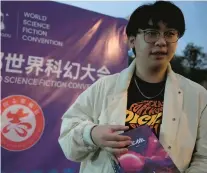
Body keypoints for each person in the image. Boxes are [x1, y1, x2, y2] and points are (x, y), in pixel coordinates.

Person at [58, 1, 207, 173]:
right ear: (131, 41)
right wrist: (91, 134)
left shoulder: (198, 96)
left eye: (170, 33)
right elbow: (67, 138)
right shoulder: (103, 87)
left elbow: (203, 158)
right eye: (151, 33)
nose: (161, 41)